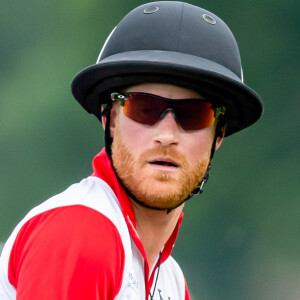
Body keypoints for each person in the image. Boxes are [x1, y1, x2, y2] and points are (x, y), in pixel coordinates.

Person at [0, 1, 263, 299]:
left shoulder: (171, 282)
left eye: (193, 115)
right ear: (110, 120)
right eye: (144, 109)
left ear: (219, 135)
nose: (166, 135)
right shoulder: (79, 233)